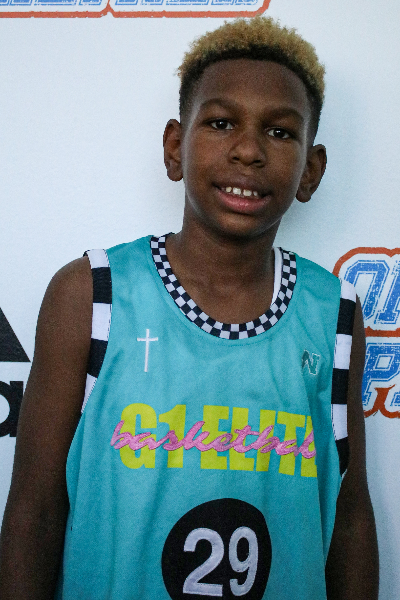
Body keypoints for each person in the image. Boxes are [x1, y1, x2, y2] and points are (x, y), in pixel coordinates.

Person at [0, 16, 378, 600]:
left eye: (280, 132)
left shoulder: (334, 313)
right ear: (175, 147)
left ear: (312, 170)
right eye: (221, 123)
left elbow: (349, 515)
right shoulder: (92, 295)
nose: (248, 150)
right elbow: (35, 510)